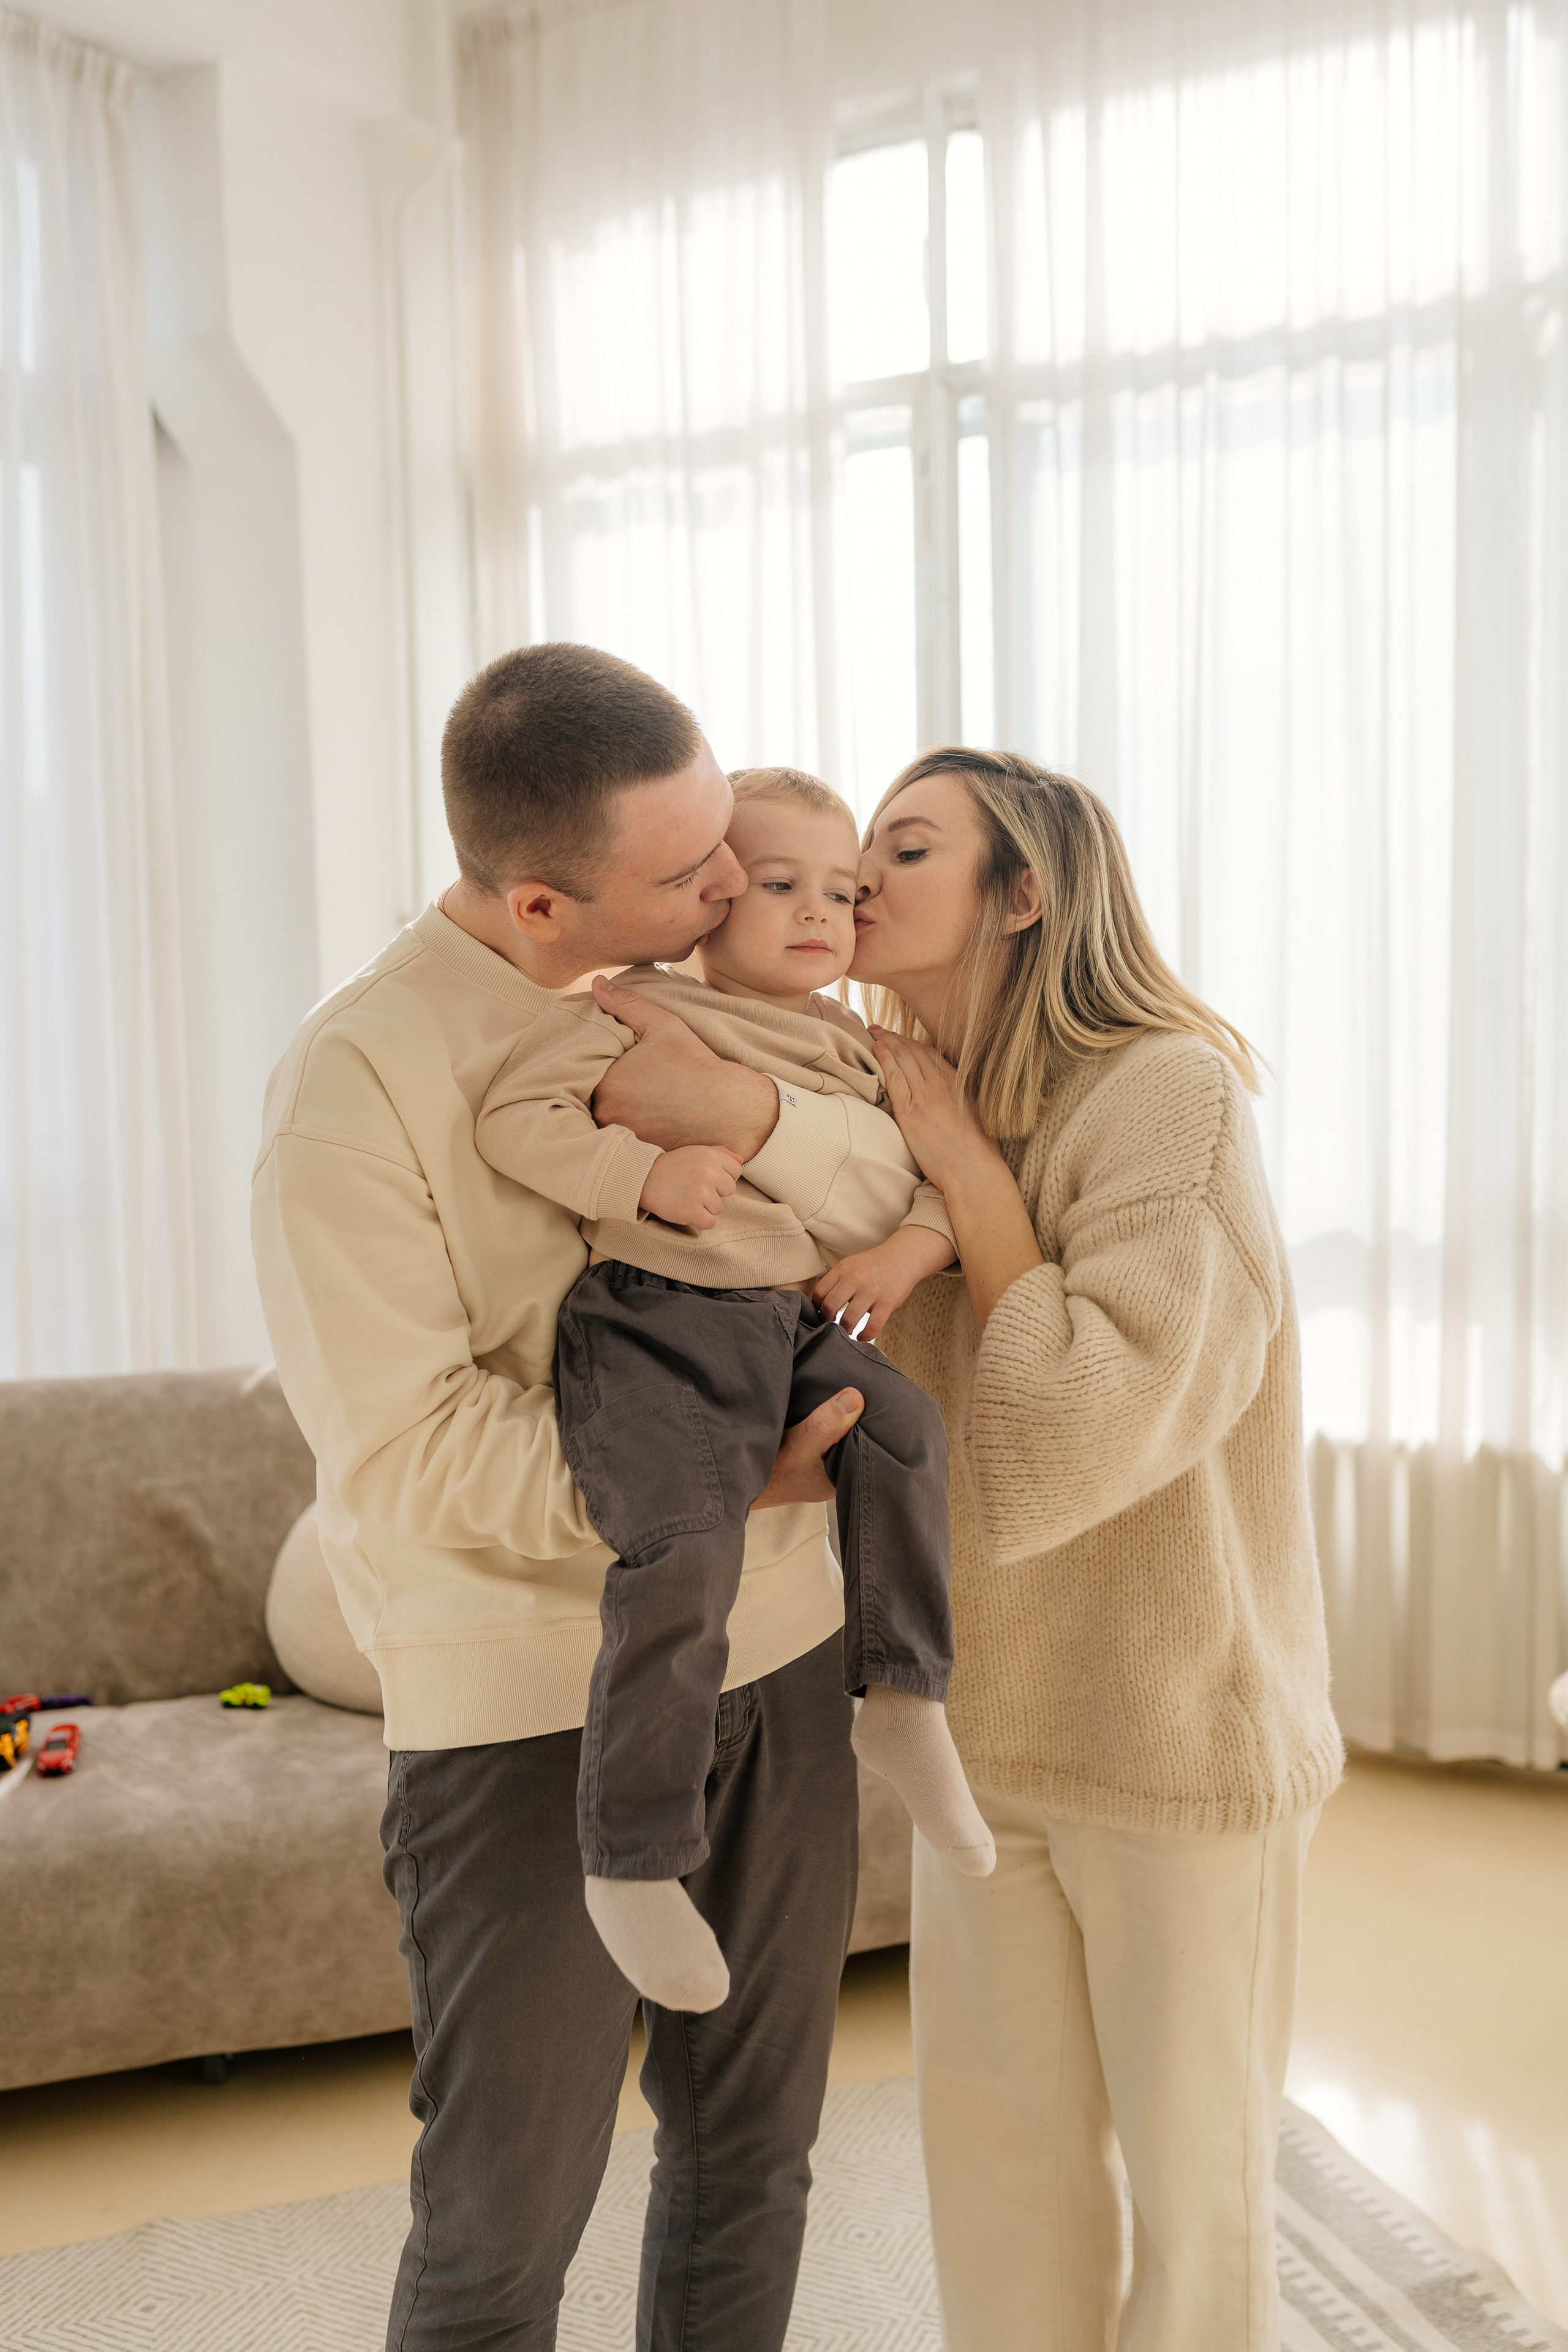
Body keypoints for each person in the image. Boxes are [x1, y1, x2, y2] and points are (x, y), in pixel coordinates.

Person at [593, 746, 1343, 2352]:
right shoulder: (876, 1082)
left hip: (1173, 1731)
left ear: (1023, 896)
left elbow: (1079, 1422)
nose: (862, 876)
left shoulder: (1165, 1095)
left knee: (1197, 2198)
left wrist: (969, 1176)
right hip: (985, 1729)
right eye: (860, 846)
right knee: (998, 2173)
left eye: (911, 845)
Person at [252, 646, 911, 2352]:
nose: (734, 886)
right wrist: (707, 1483)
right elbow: (409, 1454)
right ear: (541, 903)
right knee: (502, 2230)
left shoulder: (703, 995)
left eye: (724, 842)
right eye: (688, 871)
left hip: (776, 1642)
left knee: (754, 2157)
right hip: (528, 1705)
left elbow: (872, 1184)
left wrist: (752, 1108)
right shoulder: (357, 1083)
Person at [474, 765, 993, 2013]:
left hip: (785, 1318)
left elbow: (942, 1178)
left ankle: (903, 1698)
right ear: (709, 898)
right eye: (778, 885)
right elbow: (514, 1116)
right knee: (682, 1555)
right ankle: (630, 1857)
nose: (820, 912)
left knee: (904, 1428)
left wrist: (906, 1252)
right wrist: (636, 1179)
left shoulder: (861, 1046)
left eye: (842, 892)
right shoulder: (638, 1005)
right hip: (652, 1323)